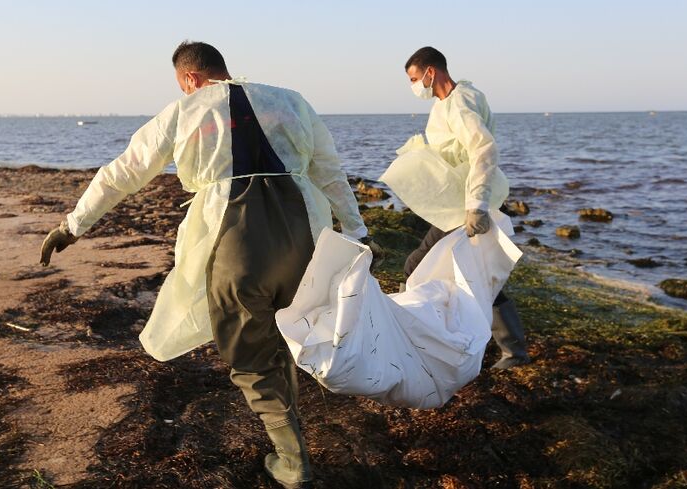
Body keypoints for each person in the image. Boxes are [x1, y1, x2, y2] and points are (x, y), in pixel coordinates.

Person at [39, 41, 379, 489]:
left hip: (235, 239)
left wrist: (73, 225)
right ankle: (290, 436)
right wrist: (357, 232)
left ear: (189, 79)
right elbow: (331, 171)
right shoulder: (290, 100)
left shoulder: (185, 111)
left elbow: (124, 171)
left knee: (250, 354)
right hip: (304, 235)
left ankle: (293, 462)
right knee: (285, 335)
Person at [403, 46, 530, 370]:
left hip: (467, 206)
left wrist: (476, 205)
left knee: (418, 266)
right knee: (476, 274)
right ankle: (506, 349)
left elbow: (483, 150)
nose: (414, 86)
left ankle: (422, 337)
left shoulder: (459, 105)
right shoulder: (449, 102)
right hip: (456, 203)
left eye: (415, 78)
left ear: (431, 72)